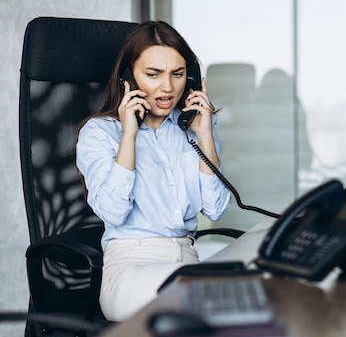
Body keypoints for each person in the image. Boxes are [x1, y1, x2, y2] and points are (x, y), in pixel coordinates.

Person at [76, 21, 231, 321]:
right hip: (131, 270)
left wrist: (205, 136)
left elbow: (216, 209)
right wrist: (129, 137)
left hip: (187, 264)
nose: (168, 87)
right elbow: (113, 212)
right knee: (212, 301)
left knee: (248, 291)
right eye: (153, 74)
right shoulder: (99, 133)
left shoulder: (194, 129)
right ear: (128, 78)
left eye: (178, 73)